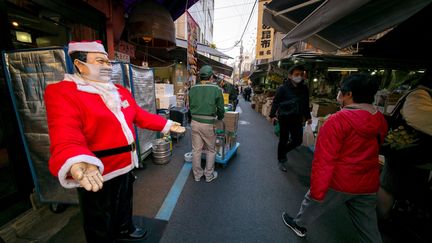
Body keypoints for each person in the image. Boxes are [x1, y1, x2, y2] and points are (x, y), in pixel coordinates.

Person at [44, 41, 185, 243]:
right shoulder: (63, 91)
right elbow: (65, 133)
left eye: (108, 62)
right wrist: (76, 160)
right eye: (100, 61)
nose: (108, 66)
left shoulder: (119, 90)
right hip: (97, 170)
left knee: (124, 202)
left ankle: (125, 229)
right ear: (80, 64)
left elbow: (140, 115)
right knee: (99, 218)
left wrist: (166, 124)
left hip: (126, 163)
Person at [282, 74, 387, 243]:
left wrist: (317, 190)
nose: (339, 95)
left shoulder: (337, 121)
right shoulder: (379, 119)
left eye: (341, 91)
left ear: (349, 94)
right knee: (368, 228)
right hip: (367, 183)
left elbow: (324, 160)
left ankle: (299, 224)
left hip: (340, 181)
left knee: (313, 203)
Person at [377, 69, 432, 219]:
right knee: (390, 186)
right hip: (403, 153)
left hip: (417, 157)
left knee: (404, 189)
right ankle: (381, 222)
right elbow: (421, 119)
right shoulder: (419, 95)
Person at [269, 65, 312, 172]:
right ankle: (281, 160)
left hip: (297, 118)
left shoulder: (304, 88)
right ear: (290, 75)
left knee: (298, 140)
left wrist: (308, 117)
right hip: (284, 118)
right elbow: (276, 102)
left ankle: (283, 152)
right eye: (296, 74)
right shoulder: (282, 88)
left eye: (301, 75)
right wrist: (272, 115)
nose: (299, 77)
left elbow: (305, 104)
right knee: (283, 139)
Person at [188, 65, 224, 182]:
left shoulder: (192, 88)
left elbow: (189, 105)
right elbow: (220, 109)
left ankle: (197, 175)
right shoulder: (217, 89)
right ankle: (209, 175)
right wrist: (220, 117)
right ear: (211, 76)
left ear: (200, 76)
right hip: (208, 123)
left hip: (194, 122)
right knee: (210, 150)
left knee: (196, 150)